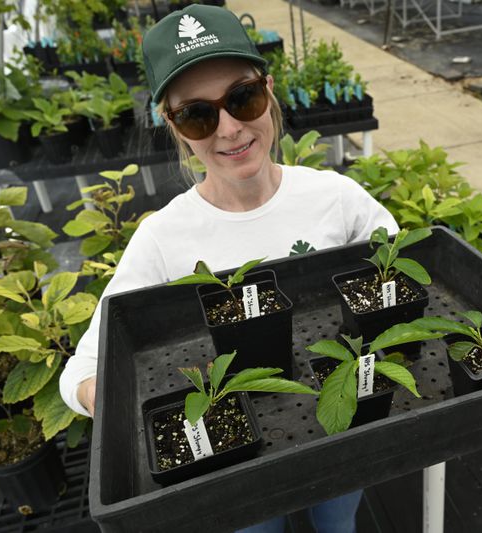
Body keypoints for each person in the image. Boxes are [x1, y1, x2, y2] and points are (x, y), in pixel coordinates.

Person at [59, 5, 398, 532]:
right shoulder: (165, 239)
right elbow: (82, 369)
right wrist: (115, 398)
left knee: (338, 520)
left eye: (243, 98)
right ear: (173, 126)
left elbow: (404, 267)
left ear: (269, 90)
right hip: (232, 456)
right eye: (198, 113)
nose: (230, 128)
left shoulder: (335, 197)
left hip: (345, 420)